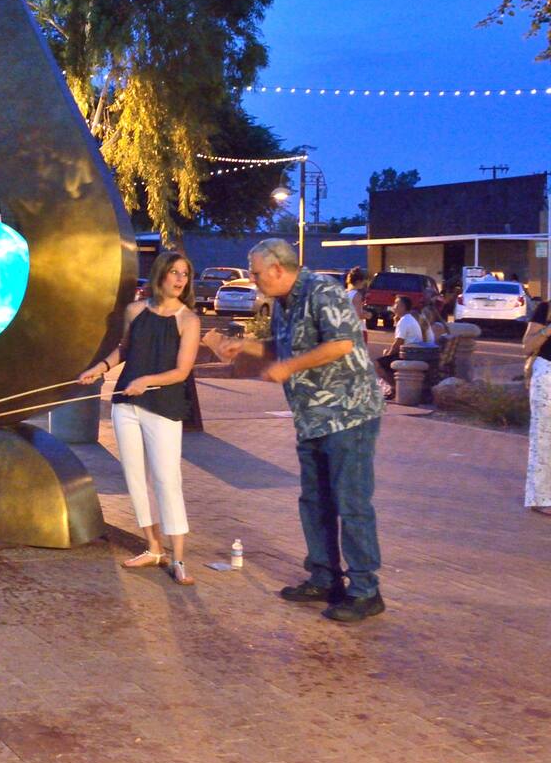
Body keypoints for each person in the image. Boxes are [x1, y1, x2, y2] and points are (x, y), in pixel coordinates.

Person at [204, 238, 386, 623]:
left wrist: (289, 368)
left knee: (350, 502)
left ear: (277, 269)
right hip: (311, 417)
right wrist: (243, 347)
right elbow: (282, 346)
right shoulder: (283, 302)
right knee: (314, 500)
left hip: (348, 414)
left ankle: (365, 590)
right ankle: (324, 577)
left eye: (256, 273)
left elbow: (341, 343)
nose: (253, 280)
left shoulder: (322, 291)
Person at [77, 251, 201, 586]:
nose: (180, 279)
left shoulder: (188, 320)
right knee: (134, 477)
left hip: (163, 406)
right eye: (174, 272)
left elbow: (182, 371)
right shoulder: (135, 310)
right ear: (161, 274)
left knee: (167, 480)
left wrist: (146, 380)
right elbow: (125, 350)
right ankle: (153, 547)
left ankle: (178, 558)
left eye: (185, 274)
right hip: (126, 405)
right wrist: (98, 369)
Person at [521, 300, 551, 516]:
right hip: (548, 375)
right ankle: (541, 498)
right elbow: (527, 346)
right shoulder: (546, 309)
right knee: (543, 438)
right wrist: (548, 330)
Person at [374, 295, 423, 393]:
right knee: (386, 357)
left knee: (376, 364)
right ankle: (395, 387)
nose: (394, 306)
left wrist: (388, 355)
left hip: (408, 354)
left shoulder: (404, 321)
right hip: (413, 353)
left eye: (397, 304)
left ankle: (395, 388)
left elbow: (398, 343)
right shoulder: (409, 319)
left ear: (403, 307)